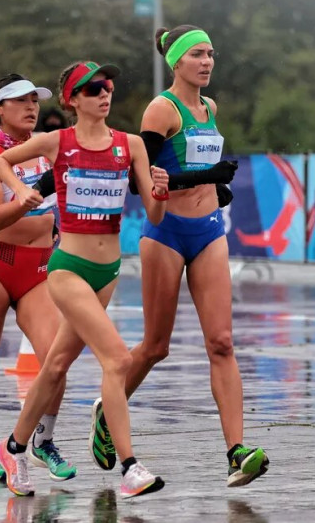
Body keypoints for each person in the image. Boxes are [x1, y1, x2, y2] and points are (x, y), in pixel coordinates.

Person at [88, 25, 269, 487]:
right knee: (156, 346)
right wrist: (201, 176)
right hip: (165, 233)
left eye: (211, 54)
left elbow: (197, 172)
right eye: (198, 55)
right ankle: (108, 410)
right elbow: (139, 181)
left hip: (209, 232)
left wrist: (216, 187)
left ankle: (235, 452)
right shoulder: (161, 109)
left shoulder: (210, 108)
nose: (207, 62)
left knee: (222, 342)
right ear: (177, 63)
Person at [0, 61, 170, 499]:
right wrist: (21, 188)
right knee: (118, 360)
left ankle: (12, 447)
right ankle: (129, 467)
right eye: (92, 89)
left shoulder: (131, 146)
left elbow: (154, 214)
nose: (104, 94)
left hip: (107, 272)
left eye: (107, 86)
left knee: (54, 365)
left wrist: (161, 192)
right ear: (72, 100)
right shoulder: (56, 142)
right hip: (68, 268)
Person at [0, 73, 76, 484]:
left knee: (56, 358)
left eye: (34, 100)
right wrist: (26, 201)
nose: (31, 107)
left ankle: (43, 440)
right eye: (20, 101)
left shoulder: (43, 148)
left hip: (38, 267)